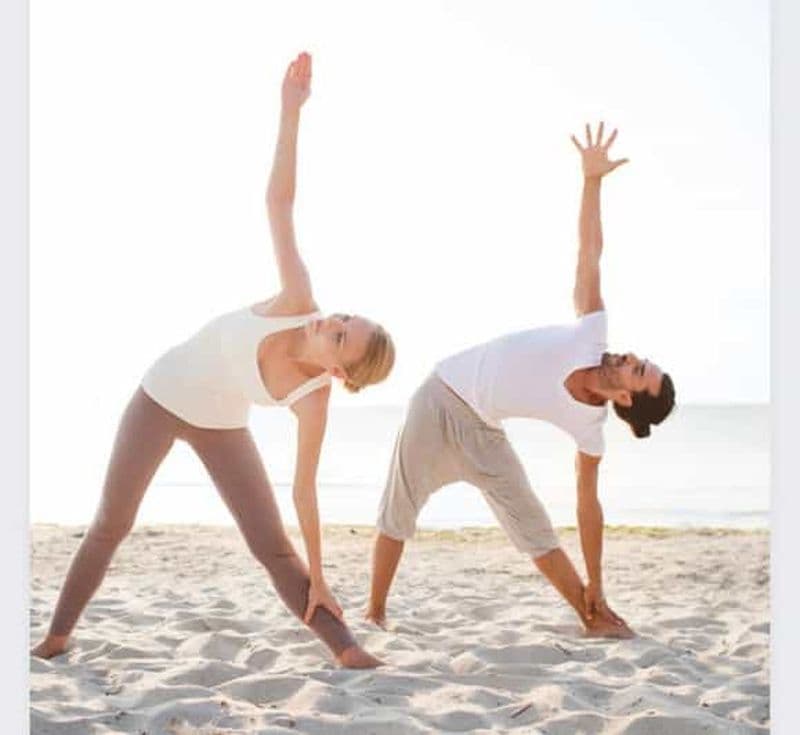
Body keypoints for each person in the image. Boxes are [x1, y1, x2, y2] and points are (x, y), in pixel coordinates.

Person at [32, 52, 394, 669]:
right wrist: (290, 112)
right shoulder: (297, 298)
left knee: (274, 548)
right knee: (111, 524)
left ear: (337, 371)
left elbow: (305, 493)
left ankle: (348, 652)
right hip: (160, 397)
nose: (331, 322)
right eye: (344, 319)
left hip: (221, 425)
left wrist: (323, 575)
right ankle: (58, 637)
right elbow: (279, 204)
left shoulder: (315, 400)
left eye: (340, 338)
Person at [365, 123, 674, 638]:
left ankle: (592, 616)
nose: (632, 357)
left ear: (624, 397)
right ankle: (374, 613)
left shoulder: (590, 428)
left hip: (484, 430)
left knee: (535, 527)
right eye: (640, 360)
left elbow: (587, 505)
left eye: (638, 371)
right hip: (440, 397)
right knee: (397, 511)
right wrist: (592, 181)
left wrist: (597, 579)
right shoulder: (591, 330)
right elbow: (589, 252)